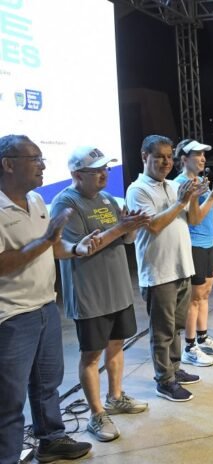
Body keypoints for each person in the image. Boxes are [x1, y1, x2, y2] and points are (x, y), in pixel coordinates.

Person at [0, 135, 95, 463]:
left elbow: (52, 247)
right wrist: (46, 240)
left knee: (47, 384)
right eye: (35, 159)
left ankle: (51, 440)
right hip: (11, 316)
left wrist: (76, 248)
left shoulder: (38, 200)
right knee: (9, 399)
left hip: (45, 306)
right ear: (8, 164)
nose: (42, 165)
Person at [51, 146, 151, 443]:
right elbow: (81, 248)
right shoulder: (65, 203)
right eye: (96, 171)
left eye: (105, 169)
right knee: (92, 355)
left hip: (117, 288)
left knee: (117, 344)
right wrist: (121, 228)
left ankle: (115, 397)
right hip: (89, 293)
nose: (104, 174)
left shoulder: (108, 199)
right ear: (77, 175)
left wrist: (131, 227)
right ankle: (96, 414)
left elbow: (126, 239)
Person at [125, 135, 203, 402]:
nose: (166, 162)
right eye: (159, 156)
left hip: (181, 267)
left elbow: (193, 219)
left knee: (176, 327)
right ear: (144, 156)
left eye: (169, 157)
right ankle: (164, 380)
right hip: (159, 272)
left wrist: (194, 198)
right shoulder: (137, 189)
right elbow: (154, 225)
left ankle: (175, 369)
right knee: (162, 331)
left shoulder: (173, 186)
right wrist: (180, 202)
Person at [172, 139, 213, 367]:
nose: (203, 158)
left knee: (205, 295)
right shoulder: (180, 184)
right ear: (184, 159)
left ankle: (203, 338)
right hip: (193, 245)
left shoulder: (201, 182)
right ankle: (189, 347)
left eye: (204, 155)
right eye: (197, 154)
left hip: (209, 243)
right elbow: (194, 218)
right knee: (194, 299)